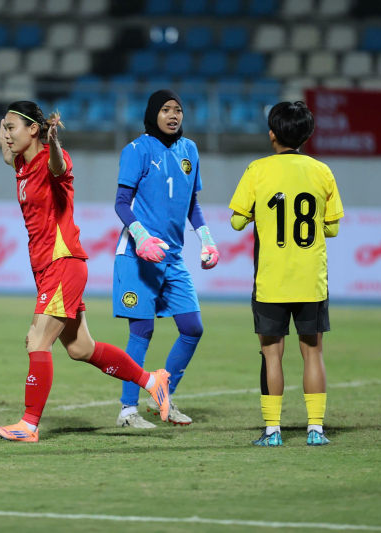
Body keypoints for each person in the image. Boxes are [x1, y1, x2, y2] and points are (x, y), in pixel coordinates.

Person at [0, 101, 171, 443]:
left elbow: (57, 165)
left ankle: (28, 425)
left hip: (63, 263)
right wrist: (6, 123)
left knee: (37, 342)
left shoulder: (53, 159)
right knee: (80, 349)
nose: (6, 134)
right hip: (47, 268)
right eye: (5, 127)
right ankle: (152, 381)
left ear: (33, 131)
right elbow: (5, 147)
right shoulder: (19, 163)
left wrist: (53, 142)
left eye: (12, 127)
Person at [228, 101, 344, 447]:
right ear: (306, 135)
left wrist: (256, 216)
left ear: (272, 134)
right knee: (313, 352)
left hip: (271, 280)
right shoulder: (322, 171)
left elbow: (236, 221)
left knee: (272, 354)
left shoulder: (257, 170)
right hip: (311, 279)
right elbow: (333, 229)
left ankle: (274, 430)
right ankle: (315, 429)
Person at [112, 89, 219, 429]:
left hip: (172, 258)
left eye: (178, 110)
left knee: (192, 327)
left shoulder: (190, 151)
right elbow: (121, 203)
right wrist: (141, 236)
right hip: (137, 255)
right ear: (153, 114)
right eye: (166, 110)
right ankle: (127, 411)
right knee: (142, 330)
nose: (173, 115)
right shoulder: (136, 150)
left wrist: (206, 238)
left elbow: (191, 204)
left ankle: (163, 394)